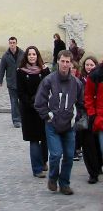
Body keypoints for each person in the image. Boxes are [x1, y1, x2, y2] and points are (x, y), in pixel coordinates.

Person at [35, 50, 84, 195]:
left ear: (71, 64)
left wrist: (76, 117)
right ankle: (53, 178)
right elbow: (39, 102)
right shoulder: (48, 81)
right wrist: (48, 116)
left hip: (69, 125)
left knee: (69, 156)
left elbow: (81, 103)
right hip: (52, 125)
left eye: (67, 62)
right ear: (58, 61)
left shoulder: (76, 83)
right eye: (62, 61)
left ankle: (64, 183)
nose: (64, 64)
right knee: (56, 154)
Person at [16, 46, 50, 178]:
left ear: (37, 56)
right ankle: (37, 169)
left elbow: (49, 88)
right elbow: (20, 92)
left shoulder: (45, 70)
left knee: (46, 137)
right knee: (34, 140)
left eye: (34, 54)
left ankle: (43, 161)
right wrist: (31, 104)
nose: (32, 56)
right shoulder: (21, 72)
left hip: (44, 109)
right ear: (26, 56)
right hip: (29, 110)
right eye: (29, 54)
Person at [79, 56, 102, 183]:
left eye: (91, 64)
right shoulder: (80, 79)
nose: (89, 67)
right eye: (87, 64)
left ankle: (98, 168)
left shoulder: (96, 76)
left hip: (95, 116)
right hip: (87, 117)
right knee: (89, 147)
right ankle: (93, 172)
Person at [0, 36, 25, 127]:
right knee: (14, 101)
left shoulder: (22, 54)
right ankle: (16, 120)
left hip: (22, 82)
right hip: (11, 82)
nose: (12, 44)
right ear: (9, 44)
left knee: (22, 101)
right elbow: (2, 69)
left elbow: (27, 66)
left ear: (16, 43)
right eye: (10, 43)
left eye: (13, 43)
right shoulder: (6, 56)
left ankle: (23, 118)